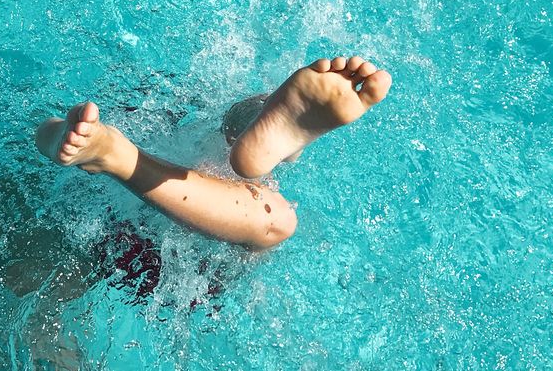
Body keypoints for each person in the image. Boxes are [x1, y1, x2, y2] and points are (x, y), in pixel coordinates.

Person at [34, 55, 392, 249]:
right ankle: (260, 127)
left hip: (83, 228)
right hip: (186, 242)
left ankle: (73, 141)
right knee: (276, 221)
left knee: (273, 218)